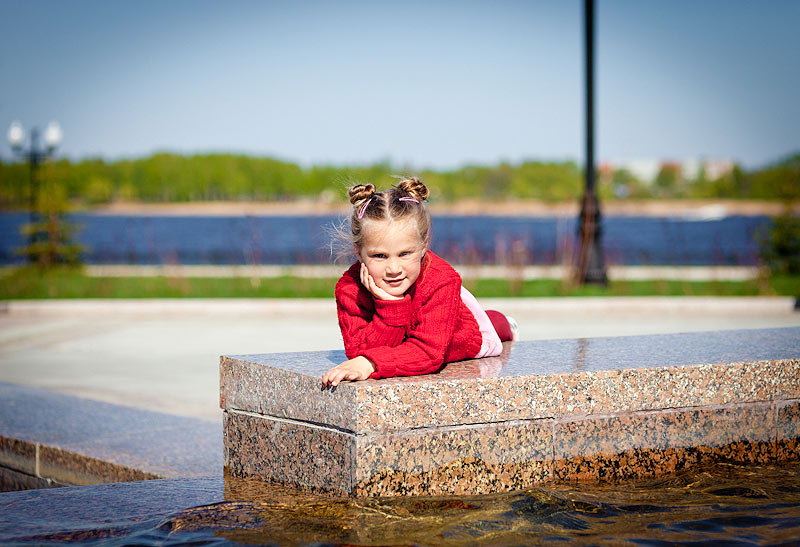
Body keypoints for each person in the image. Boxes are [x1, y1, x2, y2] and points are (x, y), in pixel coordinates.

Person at [321, 177, 517, 387]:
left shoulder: (441, 281)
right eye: (380, 256)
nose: (394, 269)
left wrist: (372, 364)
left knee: (491, 325)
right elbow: (358, 351)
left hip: (459, 332)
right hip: (412, 333)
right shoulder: (350, 289)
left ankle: (507, 323)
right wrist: (391, 307)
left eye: (404, 254)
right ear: (358, 252)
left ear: (424, 246)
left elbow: (429, 353)